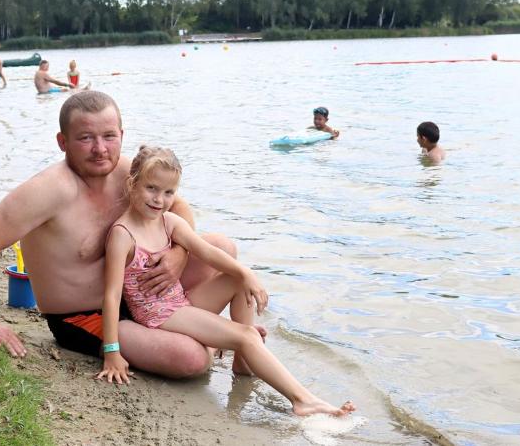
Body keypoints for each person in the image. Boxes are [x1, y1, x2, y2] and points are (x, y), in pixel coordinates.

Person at [0, 91, 233, 378]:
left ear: (122, 135)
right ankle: (204, 338)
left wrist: (179, 253)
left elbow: (178, 206)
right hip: (84, 316)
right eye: (86, 138)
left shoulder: (128, 173)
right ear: (62, 142)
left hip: (138, 297)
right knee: (192, 359)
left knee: (221, 248)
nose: (100, 149)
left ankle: (201, 331)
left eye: (109, 136)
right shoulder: (49, 190)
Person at [96, 145, 357, 417]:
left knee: (236, 279)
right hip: (157, 315)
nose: (159, 200)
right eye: (151, 188)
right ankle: (303, 400)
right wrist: (112, 351)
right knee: (247, 335)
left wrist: (246, 274)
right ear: (132, 183)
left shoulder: (168, 221)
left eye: (168, 192)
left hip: (179, 302)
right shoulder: (123, 234)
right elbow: (112, 296)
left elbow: (207, 252)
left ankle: (243, 362)